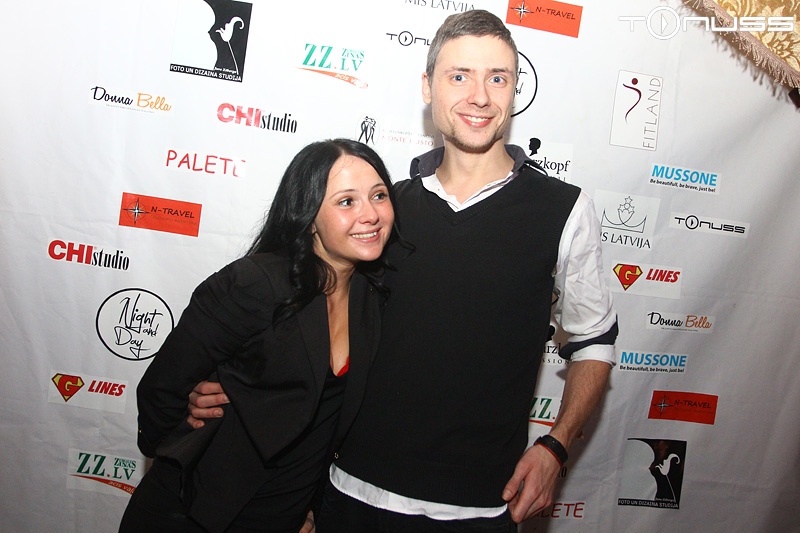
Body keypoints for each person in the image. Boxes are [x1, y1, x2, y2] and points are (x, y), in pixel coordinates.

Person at [190, 9, 618, 532]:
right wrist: (233, 384)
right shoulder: (382, 212)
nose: (479, 96)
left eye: (497, 78)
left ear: (514, 90)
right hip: (350, 494)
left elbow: (594, 341)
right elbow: (308, 316)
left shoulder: (564, 210)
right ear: (427, 87)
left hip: (483, 506)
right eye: (459, 76)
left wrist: (557, 444)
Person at [119, 138, 398, 533]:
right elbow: (161, 391)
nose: (370, 214)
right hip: (193, 516)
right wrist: (182, 453)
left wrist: (310, 507)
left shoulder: (373, 297)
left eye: (379, 195)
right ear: (308, 214)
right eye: (346, 201)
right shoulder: (256, 283)